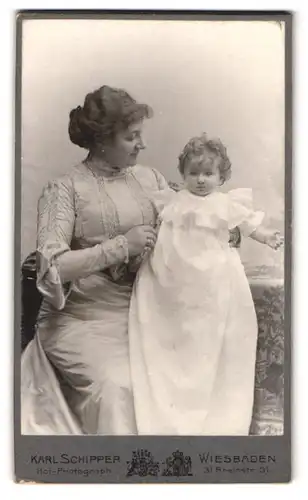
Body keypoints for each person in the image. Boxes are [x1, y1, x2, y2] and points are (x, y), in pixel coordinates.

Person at [21, 85, 167, 435]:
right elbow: (51, 267)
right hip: (81, 319)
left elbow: (187, 221)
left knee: (177, 376)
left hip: (143, 315)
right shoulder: (65, 189)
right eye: (132, 137)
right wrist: (121, 246)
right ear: (102, 140)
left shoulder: (151, 179)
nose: (141, 145)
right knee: (119, 386)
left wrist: (228, 231)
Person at [129, 133, 283, 436]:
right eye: (193, 173)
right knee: (177, 333)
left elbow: (249, 225)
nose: (201, 180)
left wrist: (268, 237)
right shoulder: (174, 202)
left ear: (221, 176)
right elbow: (162, 232)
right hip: (175, 277)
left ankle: (215, 419)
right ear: (184, 174)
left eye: (208, 174)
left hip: (214, 277)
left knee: (216, 334)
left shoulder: (226, 203)